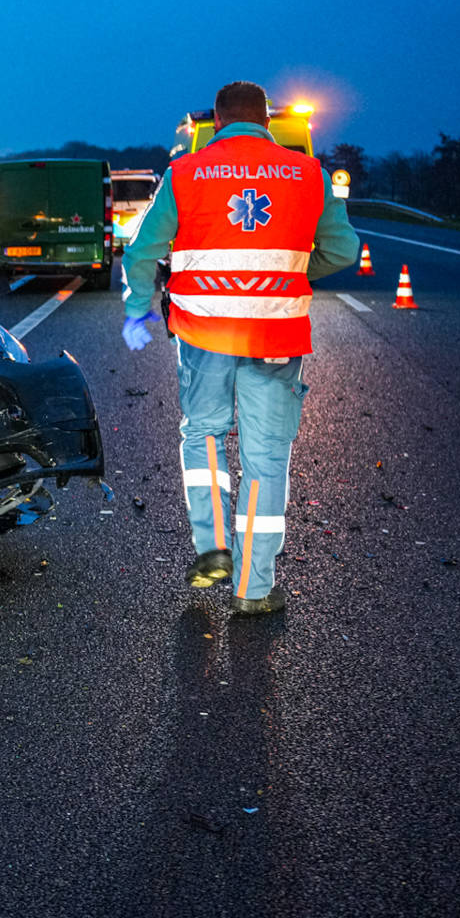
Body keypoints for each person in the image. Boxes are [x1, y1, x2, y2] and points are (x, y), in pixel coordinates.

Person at [119, 81, 358, 614]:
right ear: (268, 121)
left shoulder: (185, 173)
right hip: (274, 337)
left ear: (219, 121)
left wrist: (137, 307)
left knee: (202, 434)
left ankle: (212, 547)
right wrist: (296, 273)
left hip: (204, 335)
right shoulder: (309, 174)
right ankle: (254, 589)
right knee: (266, 458)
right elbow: (344, 249)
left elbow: (141, 252)